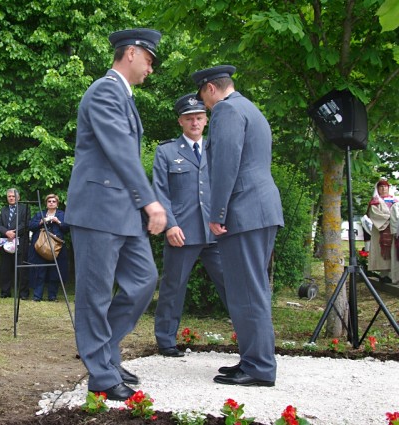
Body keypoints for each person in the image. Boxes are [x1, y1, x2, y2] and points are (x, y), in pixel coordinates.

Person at [65, 28, 167, 401]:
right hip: (98, 211)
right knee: (95, 295)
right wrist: (150, 202)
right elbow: (121, 151)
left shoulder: (122, 96)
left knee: (143, 280)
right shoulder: (105, 91)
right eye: (149, 60)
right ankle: (101, 375)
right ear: (131, 53)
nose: (150, 69)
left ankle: (105, 351)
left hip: (123, 213)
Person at [190, 64, 284, 387]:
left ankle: (258, 366)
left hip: (243, 212)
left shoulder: (227, 111)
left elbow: (226, 165)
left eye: (203, 97)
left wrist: (217, 213)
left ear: (211, 88)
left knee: (247, 290)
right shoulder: (250, 109)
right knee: (251, 288)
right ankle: (253, 359)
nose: (204, 105)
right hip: (258, 210)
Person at [152, 93, 227, 358]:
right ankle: (166, 340)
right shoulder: (166, 151)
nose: (194, 123)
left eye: (199, 117)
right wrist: (170, 225)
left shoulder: (217, 149)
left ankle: (250, 339)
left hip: (216, 232)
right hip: (181, 232)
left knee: (232, 284)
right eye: (189, 118)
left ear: (206, 120)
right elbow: (160, 192)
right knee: (173, 287)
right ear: (180, 121)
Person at [27, 194, 69, 301]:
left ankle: (52, 296)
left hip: (57, 248)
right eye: (49, 201)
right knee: (39, 271)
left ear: (57, 204)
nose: (51, 203)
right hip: (41, 247)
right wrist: (42, 221)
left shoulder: (62, 214)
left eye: (54, 201)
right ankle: (37, 296)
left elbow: (67, 228)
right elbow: (30, 226)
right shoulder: (40, 214)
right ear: (46, 203)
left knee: (55, 272)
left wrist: (57, 221)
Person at [0, 188, 30, 299]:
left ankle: (23, 293)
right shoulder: (3, 210)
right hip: (5, 242)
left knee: (21, 269)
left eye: (13, 196)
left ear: (18, 197)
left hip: (20, 242)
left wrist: (13, 232)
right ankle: (5, 292)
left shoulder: (24, 208)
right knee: (5, 269)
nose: (11, 198)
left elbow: (25, 224)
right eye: (9, 196)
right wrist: (6, 232)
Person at [367, 179, 396, 282]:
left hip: (395, 230)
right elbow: (374, 214)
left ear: (388, 188)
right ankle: (384, 275)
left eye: (385, 187)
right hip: (381, 230)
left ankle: (394, 275)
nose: (383, 189)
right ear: (377, 189)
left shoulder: (395, 200)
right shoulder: (375, 201)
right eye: (381, 187)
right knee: (382, 253)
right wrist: (391, 218)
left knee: (395, 251)